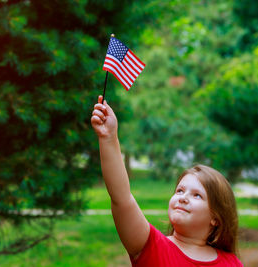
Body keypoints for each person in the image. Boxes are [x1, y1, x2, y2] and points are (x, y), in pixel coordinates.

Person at [91, 95, 243, 266]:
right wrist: (108, 138)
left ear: (215, 217)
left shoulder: (231, 263)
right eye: (180, 190)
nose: (183, 197)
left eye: (197, 195)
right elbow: (122, 198)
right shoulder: (152, 247)